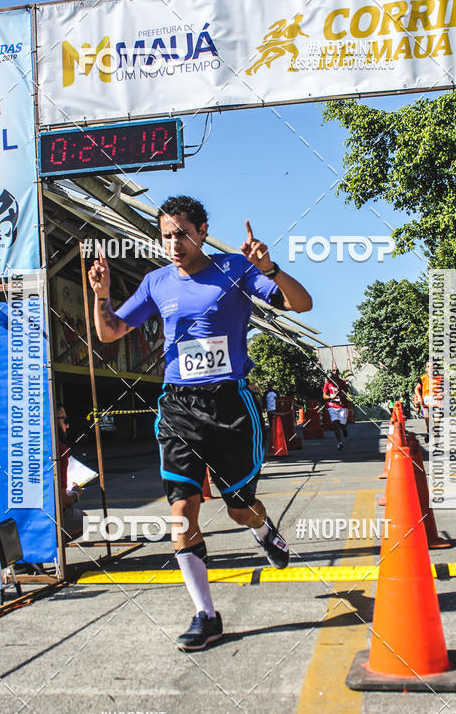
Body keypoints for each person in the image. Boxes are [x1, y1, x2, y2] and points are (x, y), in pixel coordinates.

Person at [88, 195, 312, 651]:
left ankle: (264, 531)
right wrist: (101, 296)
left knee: (238, 508)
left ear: (203, 230)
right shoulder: (155, 282)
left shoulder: (234, 268)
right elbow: (110, 332)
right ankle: (206, 615)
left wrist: (269, 269)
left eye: (183, 234)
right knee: (180, 513)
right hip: (178, 408)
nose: (174, 243)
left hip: (229, 406)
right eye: (167, 235)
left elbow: (302, 304)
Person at [56, 405, 86, 541]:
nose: (67, 426)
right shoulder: (59, 449)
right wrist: (76, 494)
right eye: (65, 420)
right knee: (83, 520)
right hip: (45, 521)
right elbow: (61, 502)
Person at [414, 360, 443, 443]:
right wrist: (419, 398)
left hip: (437, 402)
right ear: (426, 368)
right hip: (426, 402)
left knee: (437, 420)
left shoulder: (440, 378)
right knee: (428, 421)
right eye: (428, 367)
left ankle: (436, 433)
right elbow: (416, 389)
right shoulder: (423, 378)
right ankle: (429, 432)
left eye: (432, 366)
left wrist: (441, 394)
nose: (430, 368)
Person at [322, 367, 349, 449]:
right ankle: (339, 443)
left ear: (339, 373)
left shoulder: (343, 383)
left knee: (342, 424)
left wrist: (340, 395)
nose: (335, 372)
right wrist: (331, 397)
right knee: (335, 424)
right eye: (333, 370)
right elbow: (324, 396)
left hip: (342, 406)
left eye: (337, 370)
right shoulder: (328, 383)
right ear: (331, 373)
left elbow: (345, 394)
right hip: (332, 406)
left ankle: (344, 429)